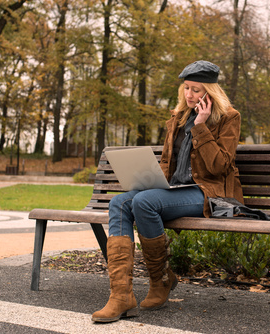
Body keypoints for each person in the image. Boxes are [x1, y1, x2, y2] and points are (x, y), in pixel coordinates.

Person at [91, 60, 244, 323]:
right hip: (175, 189)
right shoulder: (178, 117)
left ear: (210, 91)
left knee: (145, 203)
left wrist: (201, 126)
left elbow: (219, 167)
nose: (190, 95)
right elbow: (167, 163)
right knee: (119, 202)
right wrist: (150, 179)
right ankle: (121, 296)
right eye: (186, 88)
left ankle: (160, 280)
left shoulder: (229, 117)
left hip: (209, 192)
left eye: (196, 90)